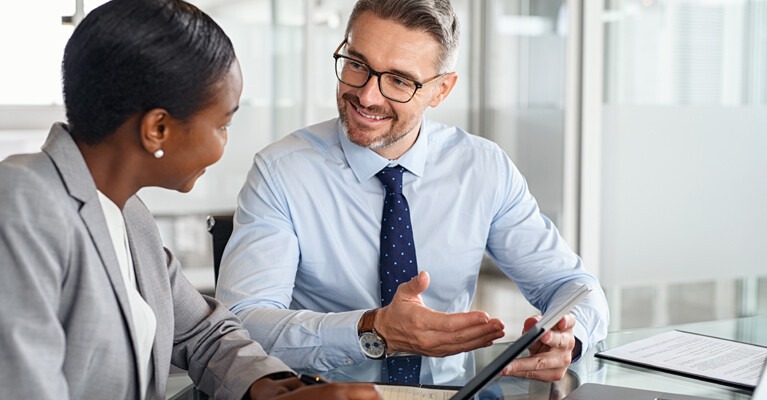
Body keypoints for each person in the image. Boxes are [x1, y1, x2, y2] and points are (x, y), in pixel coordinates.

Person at [0, 1, 383, 399]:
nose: (225, 141)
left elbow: (203, 332)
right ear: (158, 129)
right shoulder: (22, 207)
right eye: (223, 123)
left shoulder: (128, 214)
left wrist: (272, 389)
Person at [216, 0, 609, 385]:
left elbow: (576, 287)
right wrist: (373, 330)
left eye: (399, 80)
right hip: (325, 395)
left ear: (441, 90)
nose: (367, 96)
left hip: (452, 393)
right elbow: (243, 324)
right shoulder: (281, 172)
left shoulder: (483, 168)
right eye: (357, 64)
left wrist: (568, 339)